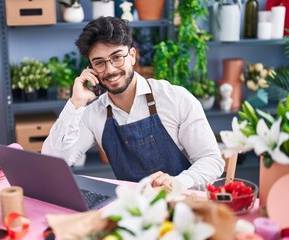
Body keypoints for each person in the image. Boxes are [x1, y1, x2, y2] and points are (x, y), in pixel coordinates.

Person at [42, 16, 224, 190]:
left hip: (185, 206)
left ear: (132, 56)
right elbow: (53, 162)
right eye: (99, 63)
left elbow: (211, 160)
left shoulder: (175, 98)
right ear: (90, 69)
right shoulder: (94, 113)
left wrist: (177, 183)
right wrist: (76, 103)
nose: (110, 69)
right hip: (135, 212)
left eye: (117, 57)